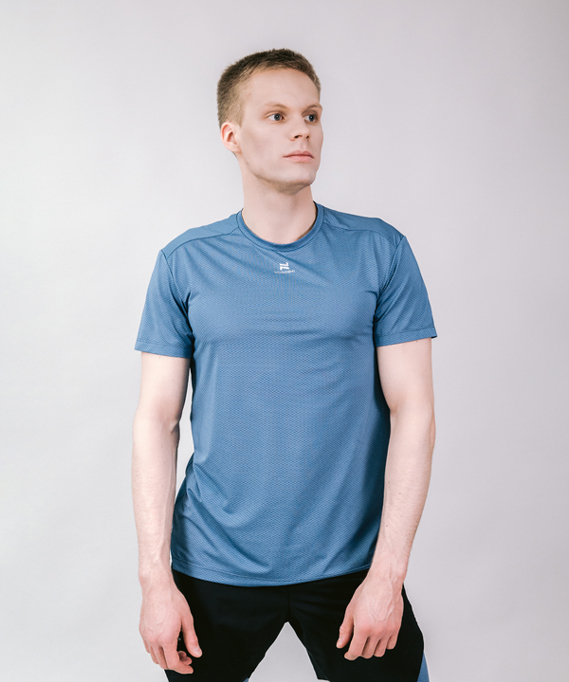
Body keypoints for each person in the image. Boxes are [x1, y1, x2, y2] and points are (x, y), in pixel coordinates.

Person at [132, 48, 437, 682]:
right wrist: (156, 582)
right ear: (232, 136)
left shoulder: (380, 251)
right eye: (277, 115)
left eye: (311, 115)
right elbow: (156, 421)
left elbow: (414, 410)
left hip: (352, 566)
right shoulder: (185, 263)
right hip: (215, 563)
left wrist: (388, 575)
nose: (302, 130)